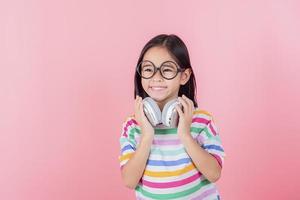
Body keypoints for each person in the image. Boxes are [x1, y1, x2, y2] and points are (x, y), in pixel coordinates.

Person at [119, 34, 226, 200]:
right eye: (148, 69)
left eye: (167, 69)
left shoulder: (201, 121)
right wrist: (147, 136)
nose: (156, 77)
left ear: (184, 76)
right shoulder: (133, 126)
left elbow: (214, 174)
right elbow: (129, 181)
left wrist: (185, 134)